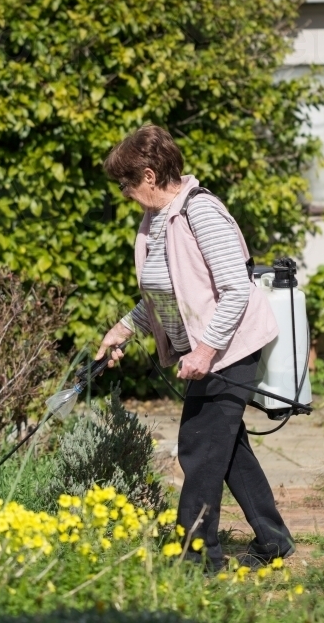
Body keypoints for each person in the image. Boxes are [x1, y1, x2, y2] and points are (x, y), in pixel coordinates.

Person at [96, 124, 294, 571]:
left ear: (148, 175)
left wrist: (204, 350)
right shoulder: (155, 221)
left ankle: (199, 560)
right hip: (206, 352)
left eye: (126, 183)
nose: (124, 192)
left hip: (230, 348)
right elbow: (167, 295)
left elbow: (235, 290)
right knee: (227, 449)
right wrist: (125, 327)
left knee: (200, 448)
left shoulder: (201, 212)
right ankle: (274, 540)